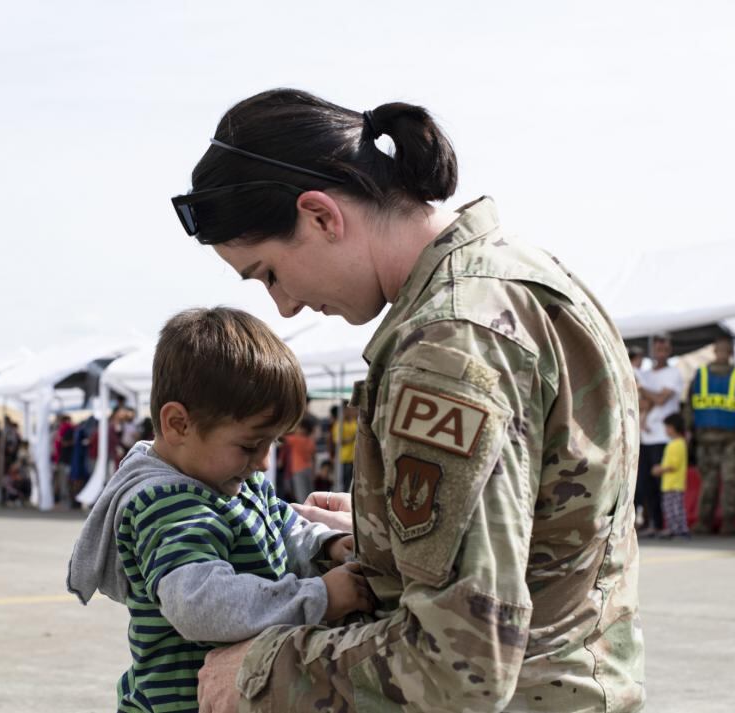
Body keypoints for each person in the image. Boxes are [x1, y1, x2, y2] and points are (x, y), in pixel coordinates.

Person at [173, 89, 644, 711]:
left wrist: (260, 671)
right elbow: (549, 523)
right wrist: (388, 531)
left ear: (320, 216)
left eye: (268, 273)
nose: (282, 306)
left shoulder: (447, 346)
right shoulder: (525, 276)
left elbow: (457, 667)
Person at [67, 307, 371, 713]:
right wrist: (320, 597)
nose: (263, 462)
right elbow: (203, 605)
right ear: (178, 424)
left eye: (272, 444)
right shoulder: (167, 505)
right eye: (249, 446)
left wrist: (330, 544)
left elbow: (284, 525)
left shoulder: (235, 481)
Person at [683, 335, 735, 535]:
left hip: (707, 438)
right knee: (729, 481)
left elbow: (689, 407)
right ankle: (728, 524)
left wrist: (690, 430)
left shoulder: (701, 375)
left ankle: (704, 523)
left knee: (710, 482)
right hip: (732, 439)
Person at [636, 335, 684, 536]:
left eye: (664, 349)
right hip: (645, 436)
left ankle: (668, 525)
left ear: (670, 350)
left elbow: (661, 399)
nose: (661, 352)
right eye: (657, 349)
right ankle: (653, 523)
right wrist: (650, 395)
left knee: (662, 483)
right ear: (653, 350)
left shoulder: (674, 373)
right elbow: (644, 403)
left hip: (664, 437)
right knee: (646, 484)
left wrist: (644, 391)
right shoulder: (645, 374)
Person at [651, 414, 689, 539]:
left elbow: (674, 465)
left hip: (674, 483)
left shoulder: (677, 444)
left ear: (673, 428)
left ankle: (681, 530)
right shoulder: (675, 443)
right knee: (670, 508)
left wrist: (659, 469)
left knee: (675, 508)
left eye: (667, 427)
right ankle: (674, 529)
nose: (665, 430)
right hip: (669, 483)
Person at [282, 417, 316, 504]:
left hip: (298, 470)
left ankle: (305, 514)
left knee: (301, 496)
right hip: (308, 469)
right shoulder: (310, 441)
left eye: (298, 427)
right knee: (309, 493)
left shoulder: (295, 439)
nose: (296, 429)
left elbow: (282, 437)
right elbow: (313, 457)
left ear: (303, 429)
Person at [331, 403, 357, 492]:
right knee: (344, 482)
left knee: (351, 482)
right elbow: (337, 441)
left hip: (354, 457)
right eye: (348, 409)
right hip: (343, 458)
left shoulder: (354, 422)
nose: (350, 411)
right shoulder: (339, 424)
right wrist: (351, 438)